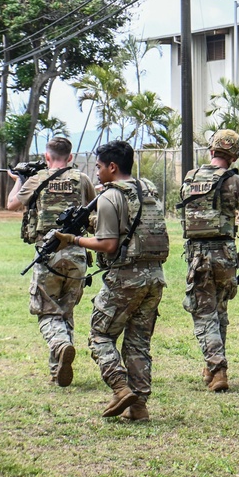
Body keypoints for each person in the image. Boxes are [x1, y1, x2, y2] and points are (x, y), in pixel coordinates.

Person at [54, 140, 169, 421]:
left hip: (125, 277)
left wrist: (73, 239)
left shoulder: (109, 197)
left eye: (99, 166)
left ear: (112, 167)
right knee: (138, 342)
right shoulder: (147, 189)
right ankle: (139, 407)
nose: (96, 172)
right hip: (154, 276)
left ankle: (120, 387)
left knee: (100, 335)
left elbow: (108, 245)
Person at [7, 137, 96, 387]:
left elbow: (11, 204)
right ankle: (57, 369)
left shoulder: (36, 180)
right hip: (78, 253)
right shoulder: (82, 179)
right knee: (65, 311)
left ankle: (59, 345)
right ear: (70, 157)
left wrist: (19, 181)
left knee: (47, 311)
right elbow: (93, 209)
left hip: (48, 254)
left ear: (47, 157)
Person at [178, 129, 239, 392]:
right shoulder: (233, 182)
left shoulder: (190, 179)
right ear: (234, 156)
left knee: (204, 313)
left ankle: (217, 368)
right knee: (220, 310)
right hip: (224, 255)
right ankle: (212, 366)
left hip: (198, 255)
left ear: (211, 150)